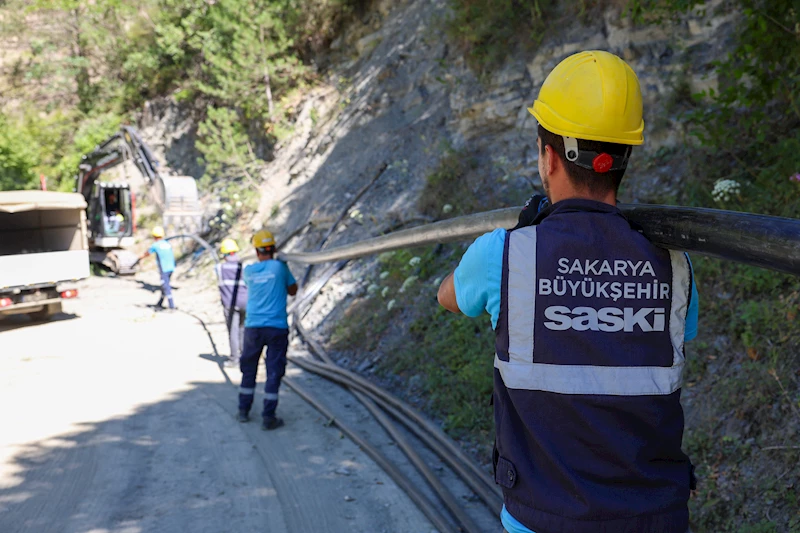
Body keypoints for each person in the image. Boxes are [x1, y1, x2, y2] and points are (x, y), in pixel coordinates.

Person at [437, 50, 700, 533]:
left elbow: (449, 296)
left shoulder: (504, 255)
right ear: (623, 158)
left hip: (541, 519)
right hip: (656, 518)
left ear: (548, 156)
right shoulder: (673, 265)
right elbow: (679, 329)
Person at [237, 230, 298, 430]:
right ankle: (268, 417)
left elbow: (251, 286)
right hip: (276, 327)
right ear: (274, 248)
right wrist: (283, 267)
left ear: (256, 251)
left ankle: (243, 410)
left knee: (249, 369)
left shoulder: (249, 271)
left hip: (253, 327)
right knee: (273, 372)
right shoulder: (281, 268)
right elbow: (293, 290)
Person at [215, 238, 248, 368]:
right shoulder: (244, 266)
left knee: (233, 331)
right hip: (245, 303)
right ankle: (245, 357)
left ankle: (234, 359)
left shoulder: (219, 268)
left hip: (230, 304)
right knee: (243, 330)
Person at [138, 226, 176, 310]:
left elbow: (147, 253)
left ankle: (171, 305)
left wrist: (140, 257)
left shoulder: (155, 245)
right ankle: (160, 302)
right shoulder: (167, 243)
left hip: (164, 268)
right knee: (164, 285)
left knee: (166, 286)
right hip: (171, 267)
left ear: (154, 236)